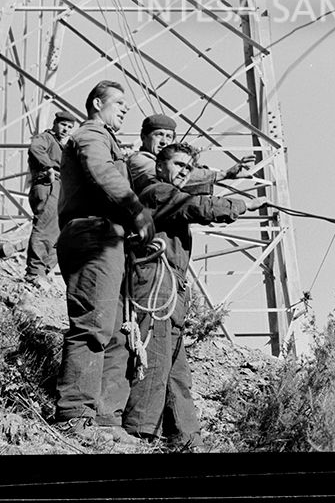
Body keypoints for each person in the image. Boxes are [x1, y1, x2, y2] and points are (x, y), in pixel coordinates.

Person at [120, 141, 260, 448]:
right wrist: (241, 204)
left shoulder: (170, 193)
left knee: (176, 370)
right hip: (156, 282)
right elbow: (197, 207)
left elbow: (193, 201)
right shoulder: (157, 192)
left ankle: (186, 438)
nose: (184, 171)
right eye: (178, 165)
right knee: (155, 357)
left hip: (173, 288)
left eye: (188, 168)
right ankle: (138, 434)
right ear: (159, 167)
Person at [53, 79, 156, 446]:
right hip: (93, 233)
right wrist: (136, 211)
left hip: (107, 236)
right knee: (92, 324)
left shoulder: (103, 137)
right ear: (97, 104)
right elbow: (102, 173)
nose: (125, 109)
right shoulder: (91, 135)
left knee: (112, 330)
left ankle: (104, 420)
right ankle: (74, 414)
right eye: (119, 102)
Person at [24, 109, 78, 285]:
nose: (65, 129)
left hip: (61, 189)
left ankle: (44, 270)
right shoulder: (46, 138)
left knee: (59, 232)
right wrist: (48, 167)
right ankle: (35, 271)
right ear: (55, 124)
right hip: (48, 185)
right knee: (45, 227)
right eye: (63, 125)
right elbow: (35, 149)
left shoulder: (65, 146)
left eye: (69, 127)